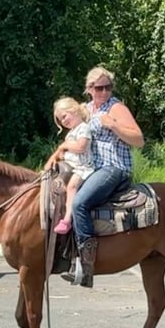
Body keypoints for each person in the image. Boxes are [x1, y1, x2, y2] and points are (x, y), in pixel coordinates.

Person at [47, 66, 145, 288]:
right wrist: (58, 153)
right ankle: (63, 254)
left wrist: (113, 125)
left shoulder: (116, 107)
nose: (104, 92)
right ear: (89, 89)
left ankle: (87, 266)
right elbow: (71, 126)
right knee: (62, 195)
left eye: (107, 87)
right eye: (99, 88)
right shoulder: (86, 110)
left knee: (80, 202)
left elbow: (139, 140)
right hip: (90, 169)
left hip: (113, 167)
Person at [48, 97, 94, 235]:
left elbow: (81, 147)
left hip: (83, 168)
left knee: (72, 186)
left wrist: (65, 146)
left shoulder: (83, 128)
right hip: (74, 167)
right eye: (61, 120)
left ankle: (67, 220)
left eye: (64, 116)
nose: (64, 121)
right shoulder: (72, 132)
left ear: (74, 110)